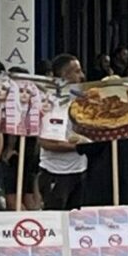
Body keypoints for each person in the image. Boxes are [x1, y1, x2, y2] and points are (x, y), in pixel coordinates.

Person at [37, 55, 90, 211]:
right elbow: (45, 142)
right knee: (55, 220)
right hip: (57, 172)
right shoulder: (50, 103)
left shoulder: (81, 100)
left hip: (80, 170)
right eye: (76, 72)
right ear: (63, 76)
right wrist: (79, 147)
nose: (81, 76)